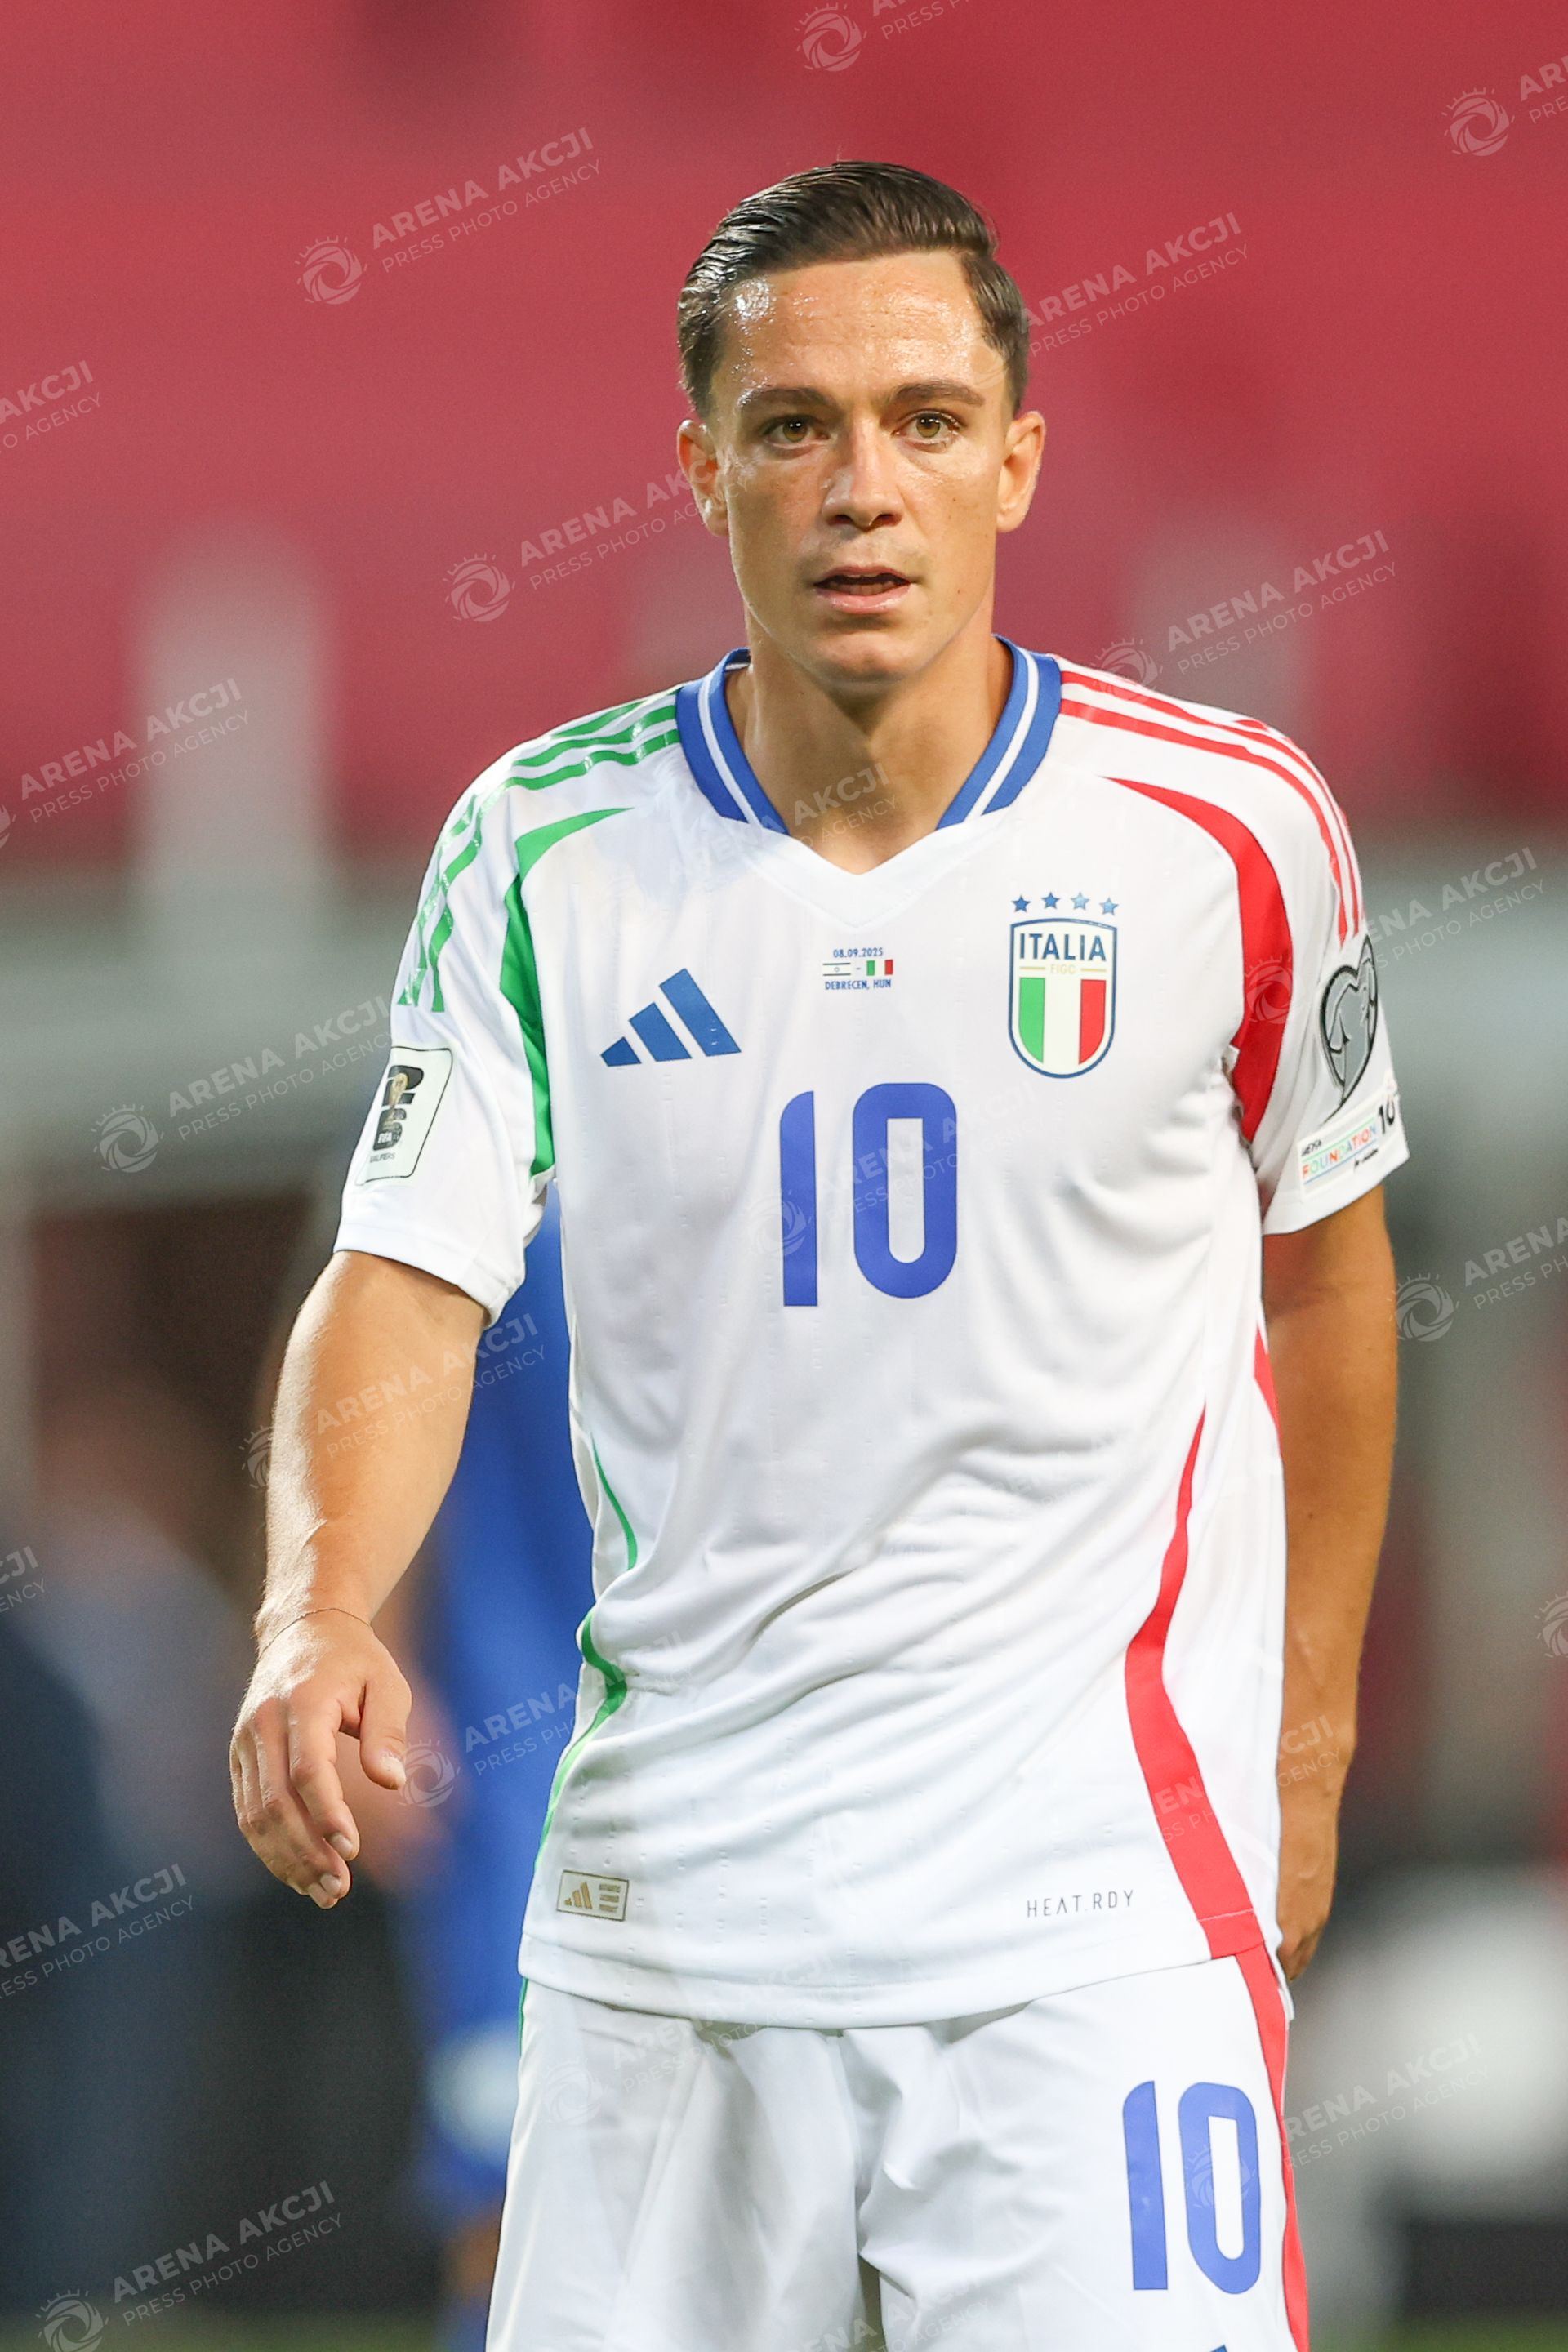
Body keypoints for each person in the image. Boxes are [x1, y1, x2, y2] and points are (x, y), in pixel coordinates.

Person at [231, 161, 1406, 2350]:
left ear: (1017, 460)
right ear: (701, 469)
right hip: (669, 1938)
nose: (865, 485)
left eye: (926, 420)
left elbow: (1328, 1276)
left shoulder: (1232, 835)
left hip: (1095, 1928)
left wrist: (1309, 1744)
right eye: (794, 427)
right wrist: (317, 1610)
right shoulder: (544, 848)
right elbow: (402, 1272)